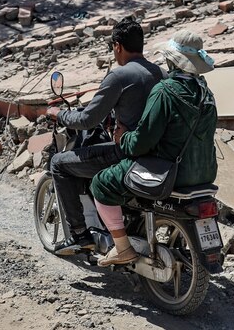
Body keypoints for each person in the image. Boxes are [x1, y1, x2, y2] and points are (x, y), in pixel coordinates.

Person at [90, 30, 218, 266]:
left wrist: (123, 138)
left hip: (171, 174)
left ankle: (122, 247)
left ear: (172, 61)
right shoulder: (206, 94)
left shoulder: (164, 91)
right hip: (205, 173)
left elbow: (142, 142)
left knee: (101, 182)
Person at [47, 17, 165, 255]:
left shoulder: (119, 76)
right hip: (158, 152)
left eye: (112, 47)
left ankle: (80, 235)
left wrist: (59, 114)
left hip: (127, 152)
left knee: (59, 164)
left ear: (117, 46)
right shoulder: (161, 73)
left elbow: (87, 119)